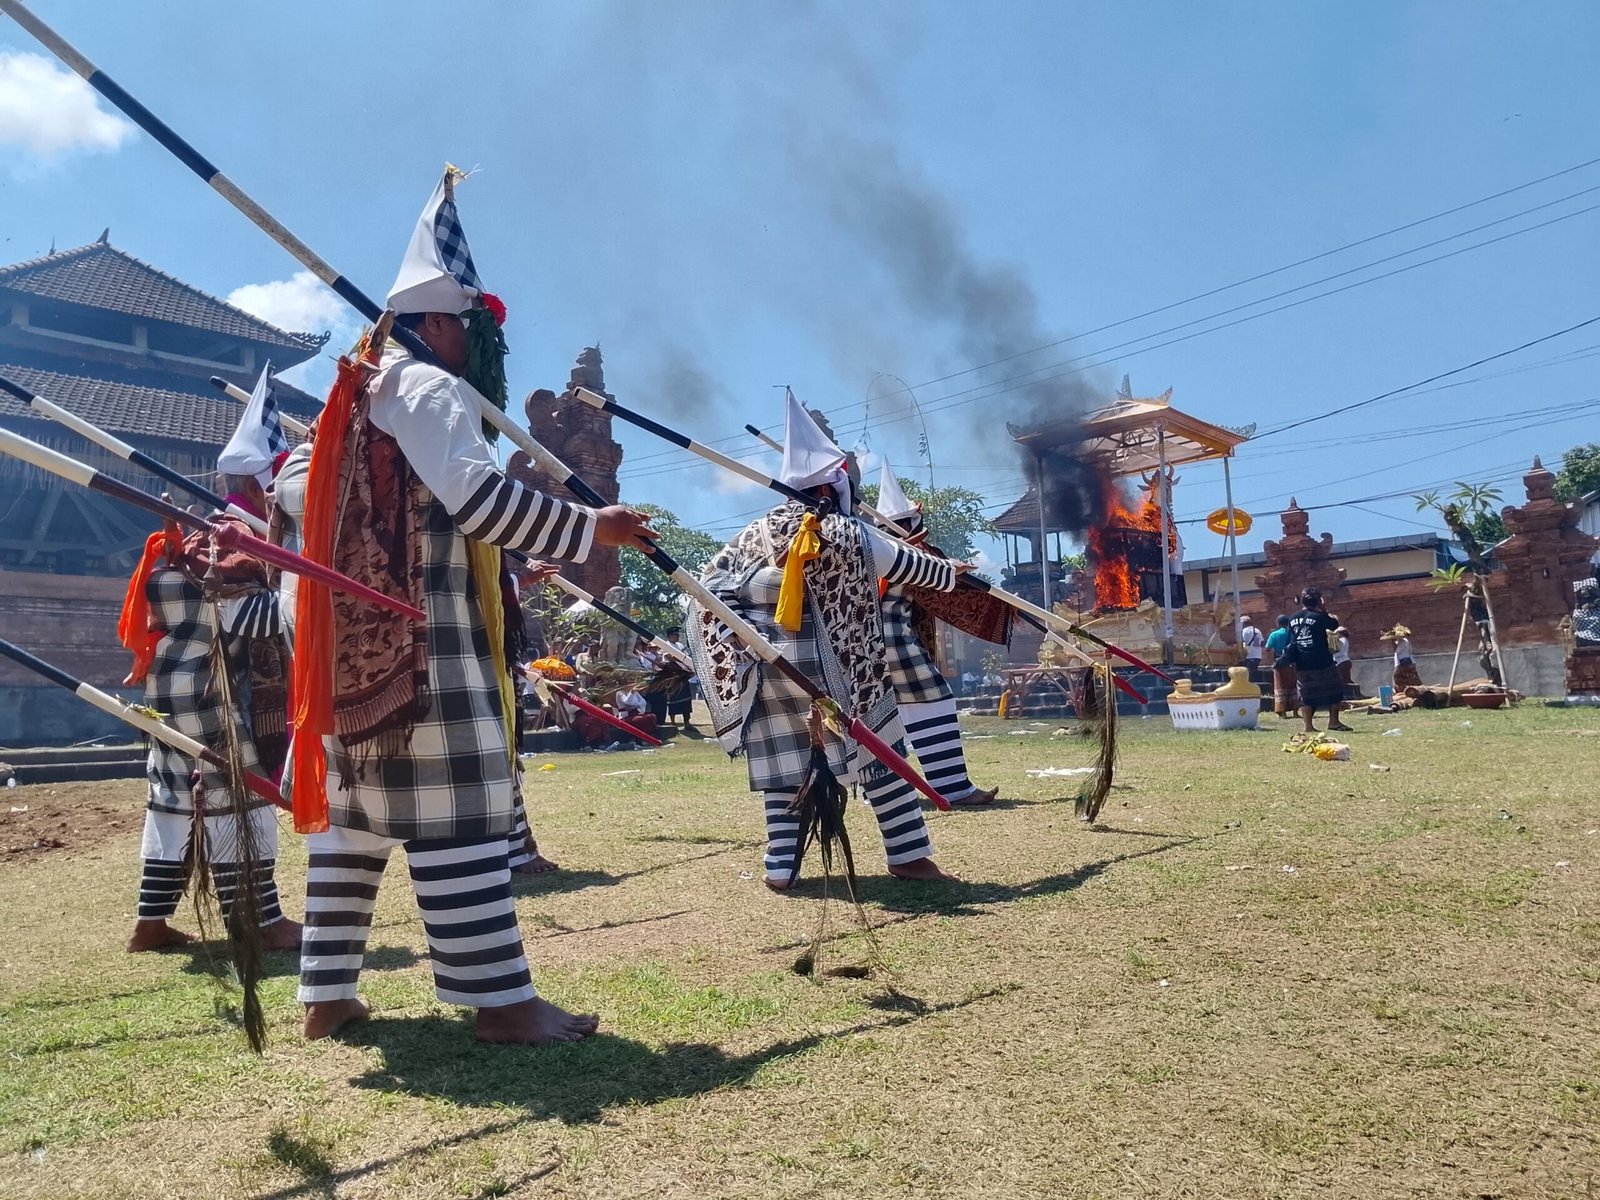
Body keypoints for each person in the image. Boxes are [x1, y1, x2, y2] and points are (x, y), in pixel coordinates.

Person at [287, 170, 654, 1045]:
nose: (484, 351)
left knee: (355, 825)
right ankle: (502, 1003)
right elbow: (481, 504)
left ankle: (327, 997)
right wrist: (592, 526)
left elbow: (296, 501)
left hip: (353, 649)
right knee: (460, 812)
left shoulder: (352, 400)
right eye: (479, 331)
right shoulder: (428, 388)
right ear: (445, 326)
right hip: (427, 637)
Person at [686, 393, 964, 890]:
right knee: (883, 756)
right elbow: (912, 567)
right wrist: (951, 572)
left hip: (771, 673)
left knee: (783, 767)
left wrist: (748, 639)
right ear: (833, 487)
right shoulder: (850, 533)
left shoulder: (750, 535)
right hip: (845, 674)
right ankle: (908, 856)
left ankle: (781, 867)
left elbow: (705, 592)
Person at [121, 459, 301, 955]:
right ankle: (258, 921)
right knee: (241, 803)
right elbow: (274, 620)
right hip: (208, 702)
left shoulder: (175, 566)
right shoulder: (227, 570)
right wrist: (303, 582)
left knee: (171, 806)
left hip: (165, 701)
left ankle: (150, 924)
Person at [872, 458, 997, 806]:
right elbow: (929, 571)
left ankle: (882, 791)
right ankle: (953, 788)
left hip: (875, 642)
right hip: (890, 638)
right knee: (934, 701)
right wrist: (948, 569)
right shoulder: (894, 551)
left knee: (885, 713)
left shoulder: (882, 549)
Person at [1287, 587, 1349, 733]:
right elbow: (1334, 625)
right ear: (1318, 601)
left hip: (1302, 661)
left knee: (1306, 693)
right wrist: (1323, 608)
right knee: (1335, 689)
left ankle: (1308, 726)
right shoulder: (1320, 617)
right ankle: (1333, 721)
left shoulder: (1292, 618)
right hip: (1322, 660)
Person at [662, 626, 696, 729]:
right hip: (673, 675)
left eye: (678, 635)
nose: (677, 636)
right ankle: (673, 722)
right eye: (675, 635)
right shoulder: (666, 645)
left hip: (683, 674)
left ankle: (687, 723)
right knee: (673, 699)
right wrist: (680, 655)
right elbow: (670, 657)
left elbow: (684, 658)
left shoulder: (679, 645)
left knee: (686, 699)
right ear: (670, 636)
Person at [1264, 615, 1295, 718]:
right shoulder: (1293, 633)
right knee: (1293, 686)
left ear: (1278, 623)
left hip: (1279, 662)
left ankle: (1283, 712)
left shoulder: (1274, 634)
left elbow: (1267, 648)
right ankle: (1295, 711)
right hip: (1292, 662)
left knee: (1280, 686)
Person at [1385, 624, 1422, 691]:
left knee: (1396, 677)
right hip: (1409, 660)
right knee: (1411, 676)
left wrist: (1397, 665)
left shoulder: (1402, 643)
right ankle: (1415, 688)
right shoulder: (1406, 641)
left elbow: (1397, 653)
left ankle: (1400, 689)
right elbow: (1410, 650)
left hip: (1402, 662)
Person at [1333, 625, 1354, 693]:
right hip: (1345, 661)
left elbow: (1337, 651)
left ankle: (1350, 694)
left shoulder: (1341, 640)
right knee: (1347, 679)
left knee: (1343, 680)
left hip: (1341, 662)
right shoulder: (1345, 640)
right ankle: (1354, 692)